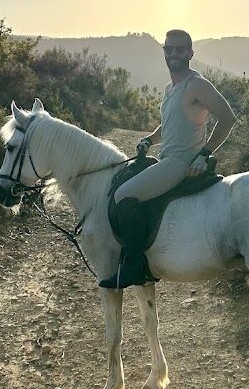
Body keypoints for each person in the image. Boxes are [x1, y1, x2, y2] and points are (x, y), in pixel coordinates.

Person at [99, 28, 237, 289]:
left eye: (179, 49)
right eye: (168, 49)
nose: (173, 54)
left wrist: (204, 154)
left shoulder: (196, 85)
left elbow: (227, 118)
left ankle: (134, 267)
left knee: (123, 196)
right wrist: (150, 140)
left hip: (181, 163)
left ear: (190, 53)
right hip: (167, 159)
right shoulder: (170, 88)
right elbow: (168, 126)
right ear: (164, 52)